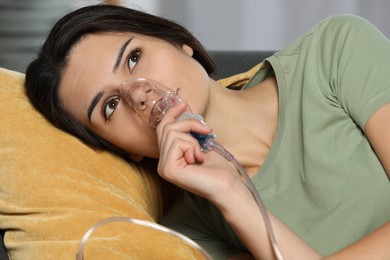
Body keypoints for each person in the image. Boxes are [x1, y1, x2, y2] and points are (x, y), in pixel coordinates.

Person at [24, 4, 390, 259]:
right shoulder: (189, 234)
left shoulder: (334, 51)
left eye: (134, 57)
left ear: (179, 41)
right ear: (122, 149)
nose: (138, 93)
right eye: (109, 106)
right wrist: (232, 195)